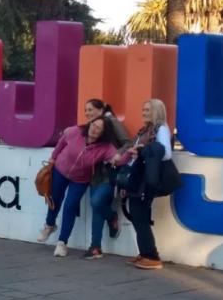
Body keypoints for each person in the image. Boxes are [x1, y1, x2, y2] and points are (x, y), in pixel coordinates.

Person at [37, 116, 127, 257]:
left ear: (103, 133)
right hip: (60, 169)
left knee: (70, 206)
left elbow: (118, 159)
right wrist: (53, 157)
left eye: (98, 128)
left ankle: (62, 242)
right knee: (54, 198)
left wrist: (127, 155)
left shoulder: (105, 147)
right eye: (93, 124)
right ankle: (49, 225)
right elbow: (62, 142)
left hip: (80, 179)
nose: (94, 129)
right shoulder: (75, 131)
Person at [120, 98, 173, 270]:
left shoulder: (161, 129)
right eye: (143, 110)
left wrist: (142, 151)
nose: (144, 113)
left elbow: (165, 154)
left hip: (147, 178)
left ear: (157, 111)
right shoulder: (145, 130)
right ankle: (145, 252)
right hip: (139, 176)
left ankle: (151, 256)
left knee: (140, 215)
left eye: (148, 110)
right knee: (137, 215)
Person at [81, 99, 132, 260]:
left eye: (90, 110)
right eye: (86, 110)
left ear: (101, 109)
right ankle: (95, 247)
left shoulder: (112, 122)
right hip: (95, 174)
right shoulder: (93, 125)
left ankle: (112, 217)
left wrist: (117, 155)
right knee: (97, 207)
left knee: (96, 202)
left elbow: (128, 142)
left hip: (110, 173)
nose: (87, 113)